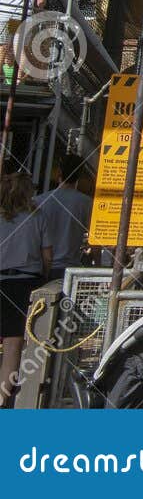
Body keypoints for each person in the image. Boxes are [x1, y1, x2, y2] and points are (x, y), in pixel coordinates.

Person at [1, 172, 52, 408]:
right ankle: (2, 398)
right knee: (14, 343)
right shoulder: (38, 217)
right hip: (24, 284)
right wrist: (46, 275)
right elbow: (47, 255)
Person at [33, 161, 91, 272]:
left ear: (59, 174)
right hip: (70, 268)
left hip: (40, 266)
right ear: (79, 177)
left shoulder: (38, 201)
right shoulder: (86, 203)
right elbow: (94, 240)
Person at [0, 0, 47, 83]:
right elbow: (40, 1)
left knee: (3, 46)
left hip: (4, 14)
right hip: (23, 17)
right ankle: (19, 79)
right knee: (20, 48)